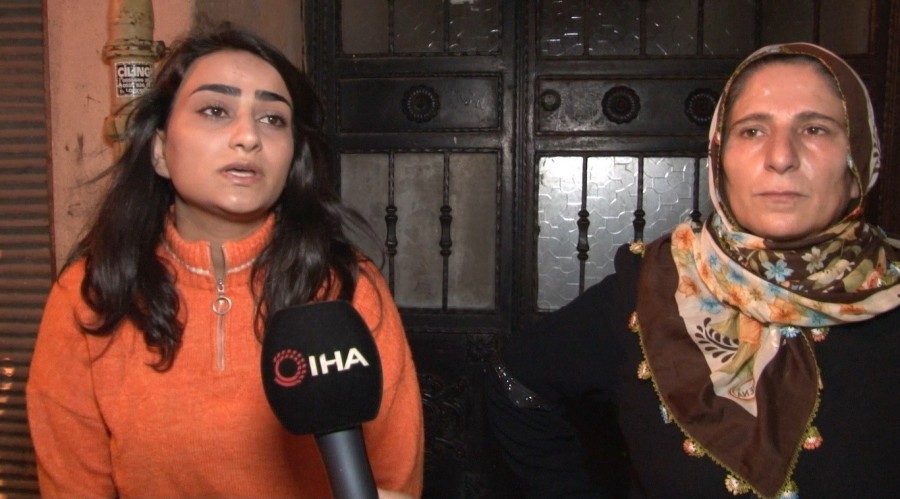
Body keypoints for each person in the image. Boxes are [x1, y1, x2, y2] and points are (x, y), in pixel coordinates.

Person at [486, 42, 900, 498]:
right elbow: (516, 380)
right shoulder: (652, 289)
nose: (781, 156)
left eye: (815, 129)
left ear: (857, 158)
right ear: (720, 158)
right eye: (752, 131)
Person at [26, 25, 424, 498]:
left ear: (291, 159)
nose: (248, 136)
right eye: (215, 110)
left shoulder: (347, 289)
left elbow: (393, 477)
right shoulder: (89, 295)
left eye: (273, 119)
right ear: (160, 151)